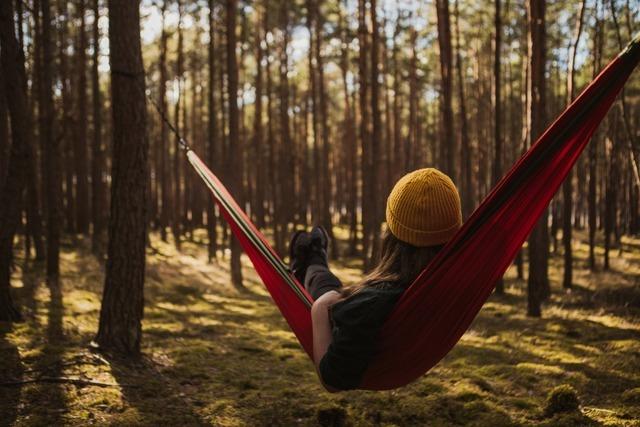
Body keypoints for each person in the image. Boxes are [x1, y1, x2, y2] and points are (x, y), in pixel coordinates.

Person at [289, 168, 462, 391]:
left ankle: (312, 257)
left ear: (391, 230)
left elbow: (332, 379)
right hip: (381, 307)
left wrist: (321, 308)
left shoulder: (369, 304)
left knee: (325, 290)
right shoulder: (455, 279)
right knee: (329, 285)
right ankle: (315, 257)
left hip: (359, 314)